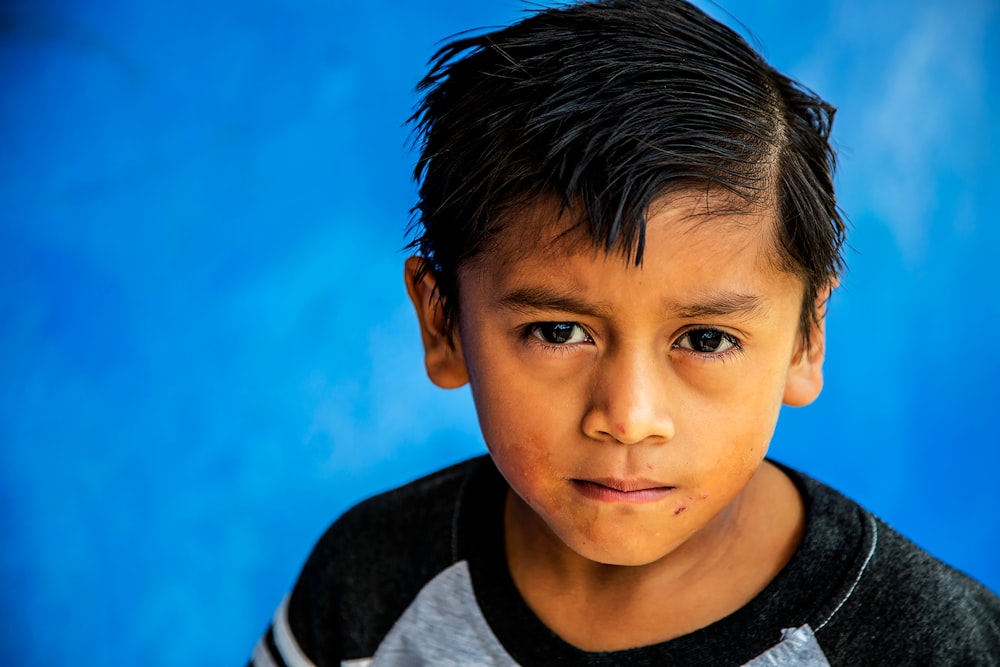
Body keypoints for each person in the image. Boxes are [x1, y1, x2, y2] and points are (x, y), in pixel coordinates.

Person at [249, 1, 1000, 664]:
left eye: (705, 339)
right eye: (558, 330)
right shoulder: (369, 589)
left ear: (806, 338)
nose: (630, 415)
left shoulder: (927, 641)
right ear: (442, 321)